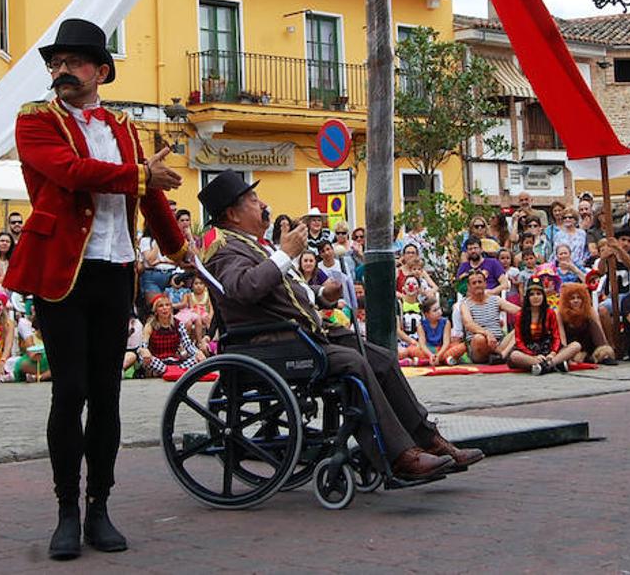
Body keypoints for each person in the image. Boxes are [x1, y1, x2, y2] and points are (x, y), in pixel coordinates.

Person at [4, 18, 188, 560]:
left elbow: (151, 198)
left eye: (73, 62)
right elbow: (70, 171)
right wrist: (138, 177)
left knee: (107, 395)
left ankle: (99, 506)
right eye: (55, 63)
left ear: (100, 71)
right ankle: (66, 511)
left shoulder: (125, 128)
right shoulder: (34, 121)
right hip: (63, 272)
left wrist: (182, 251)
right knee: (71, 392)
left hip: (116, 269)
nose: (61, 70)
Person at [199, 169, 483, 484]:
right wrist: (286, 254)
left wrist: (322, 295)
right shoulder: (224, 247)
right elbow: (244, 288)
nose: (262, 203)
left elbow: (288, 294)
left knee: (383, 359)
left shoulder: (254, 245)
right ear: (231, 214)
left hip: (297, 334)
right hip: (270, 343)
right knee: (353, 364)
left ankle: (429, 439)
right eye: (253, 200)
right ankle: (398, 455)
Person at [508, 276, 581, 375]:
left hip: (548, 349)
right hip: (528, 350)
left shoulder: (550, 313)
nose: (536, 297)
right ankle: (553, 364)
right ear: (527, 297)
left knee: (576, 346)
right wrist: (533, 356)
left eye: (539, 294)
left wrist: (553, 353)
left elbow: (556, 336)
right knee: (515, 356)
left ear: (543, 296)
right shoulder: (520, 315)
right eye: (532, 294)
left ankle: (548, 365)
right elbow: (519, 340)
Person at [136, 294, 206, 377]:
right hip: (158, 361)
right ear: (156, 310)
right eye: (161, 306)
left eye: (167, 305)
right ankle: (174, 372)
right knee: (144, 357)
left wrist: (198, 353)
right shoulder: (150, 325)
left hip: (175, 361)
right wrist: (145, 351)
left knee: (198, 358)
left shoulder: (178, 324)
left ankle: (173, 372)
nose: (164, 308)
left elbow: (188, 345)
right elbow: (143, 346)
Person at [460, 266, 519, 362]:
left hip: (499, 342)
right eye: (474, 283)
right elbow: (469, 324)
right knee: (479, 339)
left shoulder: (495, 300)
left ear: (485, 284)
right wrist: (487, 334)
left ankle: (501, 355)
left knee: (520, 328)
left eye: (480, 282)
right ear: (469, 287)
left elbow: (518, 311)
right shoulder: (465, 304)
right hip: (479, 347)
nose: (477, 285)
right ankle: (501, 354)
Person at [557, 282, 615, 364]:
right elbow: (562, 338)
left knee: (592, 323)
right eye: (572, 298)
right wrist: (566, 353)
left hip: (589, 347)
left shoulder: (590, 310)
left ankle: (599, 355)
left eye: (579, 298)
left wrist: (605, 350)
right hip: (572, 347)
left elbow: (599, 333)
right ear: (566, 300)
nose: (576, 301)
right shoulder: (559, 313)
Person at [413, 296, 465, 366]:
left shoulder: (446, 322)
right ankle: (444, 360)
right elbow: (422, 344)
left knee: (462, 346)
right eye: (435, 310)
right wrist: (431, 355)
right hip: (429, 350)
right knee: (411, 349)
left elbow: (446, 343)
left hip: (443, 349)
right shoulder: (421, 326)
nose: (439, 312)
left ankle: (426, 361)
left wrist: (438, 355)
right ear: (427, 314)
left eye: (439, 308)